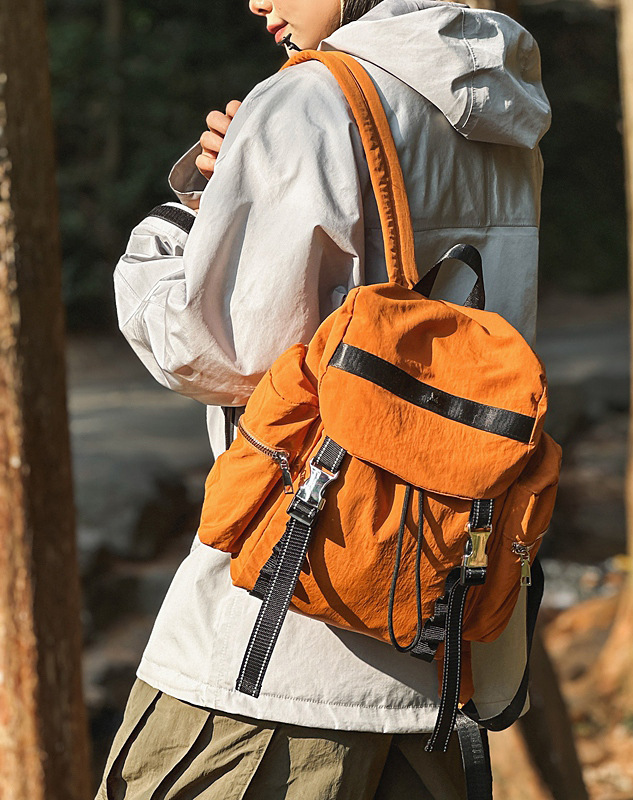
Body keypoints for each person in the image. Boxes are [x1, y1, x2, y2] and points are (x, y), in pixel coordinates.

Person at [97, 0, 551, 797]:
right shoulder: (500, 107)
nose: (257, 1)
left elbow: (218, 350)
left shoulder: (310, 99)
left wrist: (180, 223)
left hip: (286, 644)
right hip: (440, 645)